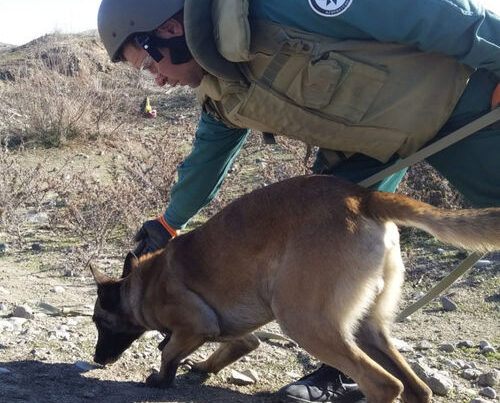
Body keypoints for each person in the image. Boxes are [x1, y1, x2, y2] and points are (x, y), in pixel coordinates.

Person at [97, 0, 500, 401]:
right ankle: (344, 370)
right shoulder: (218, 85)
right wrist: (168, 222)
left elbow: (423, 11)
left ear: (169, 31)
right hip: (372, 150)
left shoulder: (280, 8)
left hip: (463, 102)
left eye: (152, 66)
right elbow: (207, 157)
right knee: (324, 274)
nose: (160, 83)